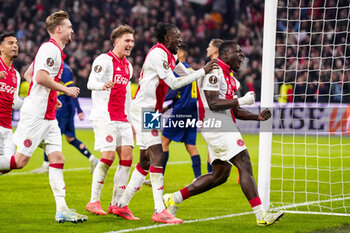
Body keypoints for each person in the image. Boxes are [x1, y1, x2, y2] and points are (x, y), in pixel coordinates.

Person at [163, 41, 284, 226]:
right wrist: (241, 100)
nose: (242, 56)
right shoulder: (214, 72)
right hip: (216, 126)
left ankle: (175, 198)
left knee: (220, 175)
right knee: (244, 161)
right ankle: (261, 215)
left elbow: (234, 111)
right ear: (225, 54)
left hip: (224, 125)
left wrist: (256, 117)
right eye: (238, 52)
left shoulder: (232, 79)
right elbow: (213, 103)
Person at [113, 22, 218, 224]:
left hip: (151, 110)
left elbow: (187, 75)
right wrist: (202, 71)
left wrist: (206, 75)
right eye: (176, 35)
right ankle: (159, 209)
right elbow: (174, 83)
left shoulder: (170, 56)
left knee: (145, 159)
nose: (180, 39)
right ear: (166, 38)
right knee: (157, 153)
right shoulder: (158, 54)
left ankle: (121, 205)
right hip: (144, 108)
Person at [0, 11, 88, 223]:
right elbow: (39, 76)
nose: (72, 30)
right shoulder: (50, 48)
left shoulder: (52, 50)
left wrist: (51, 95)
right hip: (36, 115)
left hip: (49, 117)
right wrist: (64, 90)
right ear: (58, 29)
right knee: (19, 162)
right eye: (68, 27)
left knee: (58, 159)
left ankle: (62, 209)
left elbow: (31, 74)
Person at [85, 25, 136, 217]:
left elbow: (127, 96)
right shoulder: (104, 60)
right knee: (108, 157)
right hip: (104, 116)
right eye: (127, 41)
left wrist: (130, 122)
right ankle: (93, 201)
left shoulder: (128, 66)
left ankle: (117, 204)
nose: (130, 44)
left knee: (127, 159)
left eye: (132, 41)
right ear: (116, 42)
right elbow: (90, 82)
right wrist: (102, 84)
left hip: (122, 118)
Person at [29, 62, 99, 174]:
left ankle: (46, 166)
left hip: (64, 108)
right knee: (70, 138)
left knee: (49, 135)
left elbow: (71, 90)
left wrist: (79, 110)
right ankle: (93, 160)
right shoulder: (57, 67)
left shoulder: (64, 69)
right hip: (66, 107)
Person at [161, 43, 202, 178]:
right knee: (191, 146)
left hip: (181, 111)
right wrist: (167, 107)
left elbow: (173, 91)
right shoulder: (192, 70)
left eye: (175, 52)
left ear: (181, 54)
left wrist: (161, 100)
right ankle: (198, 178)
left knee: (164, 142)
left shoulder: (178, 69)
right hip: (192, 112)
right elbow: (182, 94)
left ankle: (158, 178)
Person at [0, 32, 24, 157]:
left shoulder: (15, 74)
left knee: (9, 164)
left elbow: (14, 102)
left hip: (7, 127)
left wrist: (36, 102)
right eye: (10, 43)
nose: (15, 46)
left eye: (16, 43)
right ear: (1, 48)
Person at [205, 38, 223, 173]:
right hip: (215, 110)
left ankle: (211, 174)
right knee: (212, 146)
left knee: (217, 145)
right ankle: (211, 174)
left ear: (215, 50)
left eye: (209, 46)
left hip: (216, 111)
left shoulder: (215, 67)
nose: (207, 49)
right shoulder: (220, 65)